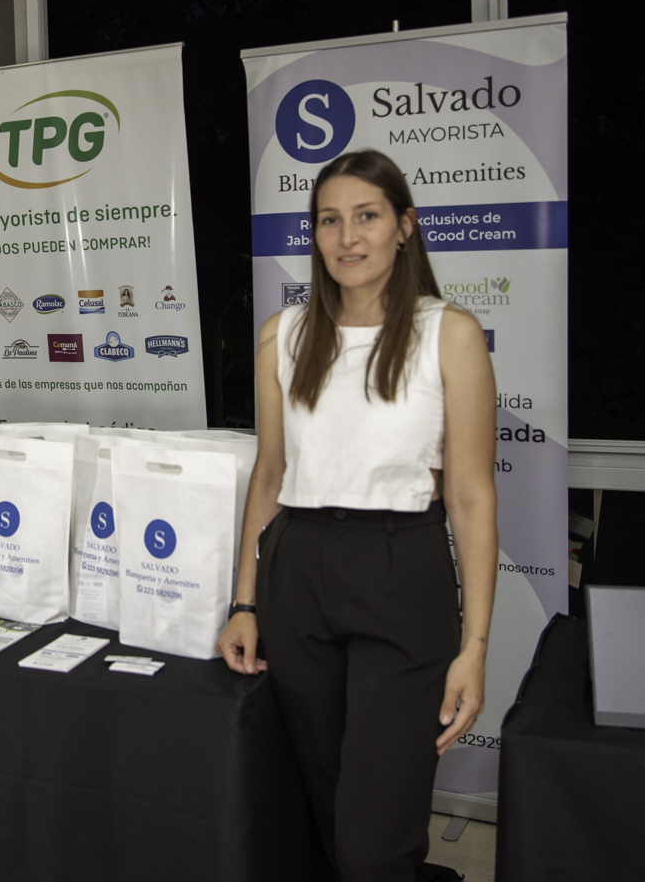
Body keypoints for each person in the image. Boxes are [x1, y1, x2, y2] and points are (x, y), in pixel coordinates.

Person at [217, 150, 497, 882]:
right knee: (324, 810)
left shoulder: (450, 334)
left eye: (366, 217)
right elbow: (270, 476)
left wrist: (474, 648)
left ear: (405, 226)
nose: (347, 238)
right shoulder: (283, 335)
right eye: (329, 221)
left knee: (374, 841)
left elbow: (470, 498)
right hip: (298, 572)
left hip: (401, 571)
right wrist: (245, 602)